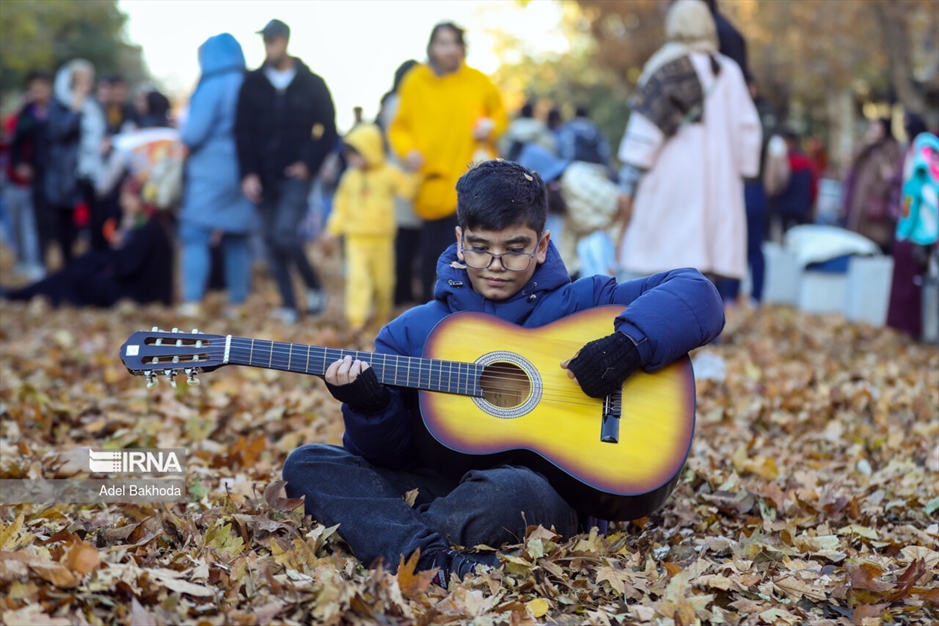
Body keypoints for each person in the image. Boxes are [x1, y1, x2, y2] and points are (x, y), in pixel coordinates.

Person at [282, 159, 725, 587]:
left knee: (511, 490)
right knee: (309, 463)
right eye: (480, 248)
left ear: (542, 245)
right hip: (440, 488)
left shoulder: (582, 303)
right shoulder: (410, 332)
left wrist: (625, 347)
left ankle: (391, 535)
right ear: (460, 241)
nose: (496, 264)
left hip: (544, 493)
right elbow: (386, 459)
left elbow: (697, 292)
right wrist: (370, 406)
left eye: (514, 249)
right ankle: (438, 562)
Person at [614, 0, 761, 283]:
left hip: (669, 186)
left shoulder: (665, 65)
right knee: (701, 279)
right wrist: (742, 170)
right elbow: (749, 130)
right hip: (719, 190)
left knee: (654, 275)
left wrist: (628, 183)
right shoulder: (729, 70)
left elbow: (645, 131)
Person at [388, 21, 507, 303]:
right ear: (431, 48)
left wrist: (491, 127)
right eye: (442, 43)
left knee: (467, 252)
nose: (449, 50)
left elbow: (500, 114)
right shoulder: (415, 81)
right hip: (433, 181)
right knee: (432, 253)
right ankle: (430, 309)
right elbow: (399, 127)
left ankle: (467, 309)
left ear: (463, 48)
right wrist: (408, 152)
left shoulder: (478, 81)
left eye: (454, 43)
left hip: (472, 182)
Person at [235, 18, 337, 324]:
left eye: (273, 40)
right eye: (265, 41)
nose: (269, 46)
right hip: (263, 176)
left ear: (285, 40)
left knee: (284, 234)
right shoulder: (252, 84)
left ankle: (314, 287)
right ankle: (290, 305)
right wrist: (248, 173)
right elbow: (243, 131)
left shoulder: (312, 83)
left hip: (295, 176)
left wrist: (309, 163)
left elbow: (328, 128)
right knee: (270, 240)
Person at [178, 34, 258, 320]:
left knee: (195, 233)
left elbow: (193, 133)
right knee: (237, 236)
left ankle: (192, 301)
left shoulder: (211, 85)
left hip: (209, 172)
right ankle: (238, 303)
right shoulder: (249, 83)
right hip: (244, 169)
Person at [0, 176, 173, 308]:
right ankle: (24, 293)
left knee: (80, 277)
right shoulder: (143, 224)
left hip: (138, 295)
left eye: (128, 198)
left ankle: (21, 295)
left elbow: (125, 267)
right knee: (82, 264)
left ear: (141, 200)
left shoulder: (149, 228)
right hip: (132, 288)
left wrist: (119, 245)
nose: (123, 203)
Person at [323, 124, 418, 332]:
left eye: (357, 154)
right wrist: (332, 229)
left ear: (371, 149)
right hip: (356, 239)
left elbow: (408, 189)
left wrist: (417, 173)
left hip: (383, 240)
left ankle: (382, 315)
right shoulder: (349, 178)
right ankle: (356, 320)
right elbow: (341, 207)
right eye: (350, 155)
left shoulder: (388, 173)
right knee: (358, 280)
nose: (353, 160)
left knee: (384, 282)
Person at [517, 143, 629, 278]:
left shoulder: (575, 179)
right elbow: (567, 242)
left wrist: (618, 248)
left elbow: (622, 202)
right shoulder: (560, 201)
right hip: (597, 251)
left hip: (618, 239)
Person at [44, 59, 107, 268]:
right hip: (66, 175)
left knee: (94, 220)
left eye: (89, 79)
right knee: (66, 223)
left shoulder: (93, 105)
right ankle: (67, 266)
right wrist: (74, 110)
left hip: (91, 173)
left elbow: (100, 131)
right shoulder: (60, 104)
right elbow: (57, 133)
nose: (87, 84)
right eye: (82, 80)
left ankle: (92, 264)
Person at [376, 59, 423, 308]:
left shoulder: (392, 102)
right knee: (405, 239)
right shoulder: (399, 102)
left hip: (404, 178)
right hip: (404, 178)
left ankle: (401, 291)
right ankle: (400, 293)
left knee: (406, 239)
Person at [6, 70, 53, 280]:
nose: (38, 92)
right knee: (24, 222)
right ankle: (27, 261)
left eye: (42, 87)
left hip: (50, 175)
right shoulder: (26, 113)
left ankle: (38, 261)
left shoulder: (56, 111)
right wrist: (19, 165)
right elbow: (15, 142)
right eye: (34, 88)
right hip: (28, 177)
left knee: (40, 221)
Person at [841, 118, 902, 253]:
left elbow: (891, 176)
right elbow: (853, 160)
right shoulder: (868, 146)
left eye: (877, 128)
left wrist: (879, 189)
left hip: (877, 201)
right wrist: (866, 143)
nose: (874, 131)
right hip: (861, 196)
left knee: (875, 239)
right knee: (858, 237)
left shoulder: (891, 148)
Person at [557, 106, 612, 171]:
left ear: (575, 114)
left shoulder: (569, 127)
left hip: (575, 167)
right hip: (595, 167)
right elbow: (604, 150)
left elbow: (566, 151)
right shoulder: (594, 127)